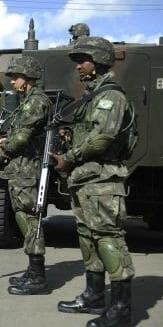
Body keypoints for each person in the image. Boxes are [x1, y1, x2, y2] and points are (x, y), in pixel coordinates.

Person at [50, 36, 135, 327]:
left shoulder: (110, 96)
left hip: (103, 180)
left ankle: (122, 309)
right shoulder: (93, 96)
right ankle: (94, 295)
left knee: (108, 239)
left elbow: (102, 139)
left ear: (98, 62)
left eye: (82, 61)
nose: (78, 68)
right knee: (88, 239)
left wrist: (68, 157)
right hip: (86, 180)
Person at [0, 55, 52, 295]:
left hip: (26, 170)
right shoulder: (28, 101)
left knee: (28, 218)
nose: (12, 81)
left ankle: (38, 277)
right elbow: (22, 133)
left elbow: (24, 138)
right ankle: (34, 271)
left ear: (28, 77)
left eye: (16, 77)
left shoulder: (36, 101)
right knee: (23, 216)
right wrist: (7, 138)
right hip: (21, 169)